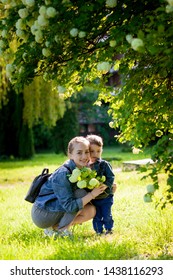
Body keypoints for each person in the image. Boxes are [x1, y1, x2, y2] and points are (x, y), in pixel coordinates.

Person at [31, 136, 106, 237]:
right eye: (79, 152)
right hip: (43, 213)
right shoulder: (63, 174)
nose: (84, 156)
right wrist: (92, 194)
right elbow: (70, 206)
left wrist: (107, 189)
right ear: (70, 154)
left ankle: (55, 229)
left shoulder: (82, 170)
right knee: (81, 194)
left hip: (56, 208)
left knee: (91, 210)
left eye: (87, 152)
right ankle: (62, 230)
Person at [86, 134, 116, 235]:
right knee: (97, 215)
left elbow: (111, 176)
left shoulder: (104, 164)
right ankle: (98, 231)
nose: (95, 154)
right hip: (94, 198)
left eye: (98, 151)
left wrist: (107, 185)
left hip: (106, 196)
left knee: (106, 214)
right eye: (92, 151)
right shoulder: (85, 167)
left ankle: (109, 229)